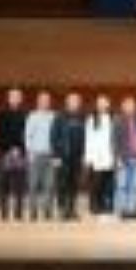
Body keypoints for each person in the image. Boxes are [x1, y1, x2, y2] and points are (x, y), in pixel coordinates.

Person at [50, 92, 86, 221]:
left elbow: (85, 138)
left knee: (74, 184)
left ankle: (72, 209)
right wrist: (55, 156)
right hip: (62, 156)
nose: (74, 103)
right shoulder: (59, 116)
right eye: (72, 100)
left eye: (77, 101)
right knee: (62, 183)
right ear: (67, 102)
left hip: (77, 157)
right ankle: (62, 210)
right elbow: (53, 137)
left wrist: (83, 154)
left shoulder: (82, 117)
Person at [0, 88, 27, 222]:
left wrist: (20, 148)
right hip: (5, 152)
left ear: (21, 99)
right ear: (8, 98)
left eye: (17, 96)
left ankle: (18, 212)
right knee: (4, 183)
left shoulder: (25, 114)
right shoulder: (1, 114)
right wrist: (9, 148)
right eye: (13, 96)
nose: (15, 99)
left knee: (19, 183)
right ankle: (4, 211)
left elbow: (26, 135)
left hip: (20, 152)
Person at [25, 91, 57, 221]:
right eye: (42, 100)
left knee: (49, 185)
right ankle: (33, 211)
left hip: (50, 155)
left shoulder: (54, 116)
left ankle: (47, 211)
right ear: (38, 102)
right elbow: (28, 136)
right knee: (33, 184)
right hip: (36, 154)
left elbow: (56, 137)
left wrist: (56, 154)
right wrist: (30, 152)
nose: (44, 102)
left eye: (47, 100)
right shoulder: (32, 116)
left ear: (49, 102)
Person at [85, 95, 116, 219]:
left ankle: (105, 205)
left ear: (108, 105)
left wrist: (114, 154)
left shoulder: (112, 118)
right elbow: (88, 139)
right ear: (97, 105)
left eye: (104, 103)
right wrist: (89, 157)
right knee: (96, 183)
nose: (102, 105)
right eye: (100, 103)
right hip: (96, 155)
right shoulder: (91, 119)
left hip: (109, 155)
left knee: (107, 183)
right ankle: (94, 205)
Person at [113, 96, 136, 220]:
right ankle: (122, 210)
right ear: (123, 107)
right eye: (128, 105)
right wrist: (118, 158)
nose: (130, 107)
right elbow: (114, 141)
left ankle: (132, 210)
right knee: (122, 185)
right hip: (123, 158)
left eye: (132, 105)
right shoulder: (118, 120)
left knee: (134, 186)